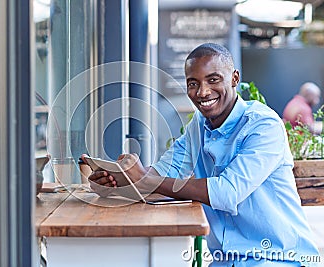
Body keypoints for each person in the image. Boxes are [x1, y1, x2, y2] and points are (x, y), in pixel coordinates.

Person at [84, 43, 319, 266]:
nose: (202, 92)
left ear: (235, 78)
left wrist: (143, 179)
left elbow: (227, 192)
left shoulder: (263, 124)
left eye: (213, 80)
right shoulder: (198, 126)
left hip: (279, 258)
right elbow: (159, 176)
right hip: (225, 261)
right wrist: (115, 183)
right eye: (193, 83)